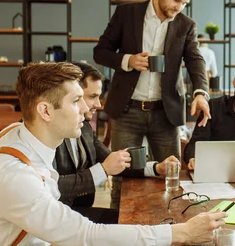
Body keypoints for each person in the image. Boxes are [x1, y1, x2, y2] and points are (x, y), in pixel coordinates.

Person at [0, 62, 227, 246]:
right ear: (45, 111)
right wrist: (182, 233)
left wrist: (49, 240)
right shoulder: (12, 174)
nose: (87, 108)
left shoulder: (20, 135)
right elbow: (88, 236)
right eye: (77, 100)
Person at [93, 0, 210, 208]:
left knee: (171, 177)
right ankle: (120, 235)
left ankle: (172, 231)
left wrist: (200, 92)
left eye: (184, 3)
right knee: (122, 179)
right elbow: (100, 52)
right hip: (128, 111)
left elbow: (195, 60)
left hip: (165, 114)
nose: (179, 7)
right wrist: (128, 61)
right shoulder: (127, 13)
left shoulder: (185, 25)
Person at [54, 62, 178, 223]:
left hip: (80, 213)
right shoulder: (49, 130)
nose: (98, 105)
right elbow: (52, 186)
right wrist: (103, 170)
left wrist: (155, 168)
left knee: (139, 221)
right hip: (58, 220)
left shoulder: (84, 127)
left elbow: (114, 161)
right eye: (92, 96)